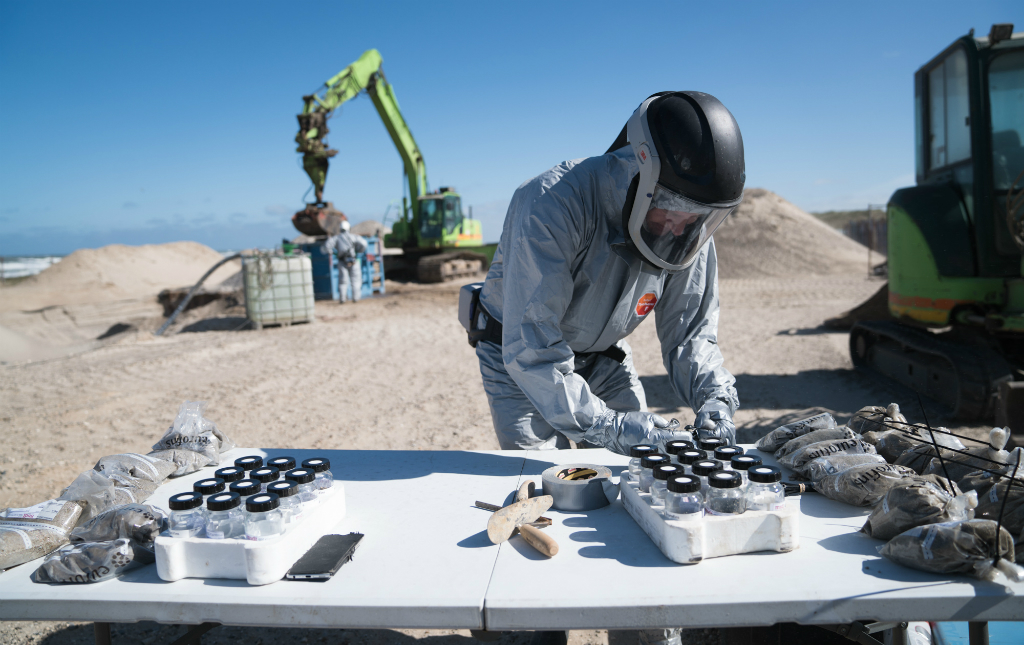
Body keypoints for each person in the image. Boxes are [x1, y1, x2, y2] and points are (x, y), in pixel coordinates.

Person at [469, 91, 745, 454]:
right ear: (641, 175)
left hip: (602, 355)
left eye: (695, 216)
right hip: (520, 360)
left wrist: (715, 398)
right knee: (542, 475)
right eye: (671, 209)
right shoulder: (552, 203)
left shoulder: (688, 227)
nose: (681, 227)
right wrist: (605, 426)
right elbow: (532, 344)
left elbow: (690, 335)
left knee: (638, 469)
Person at [327, 220, 367, 303]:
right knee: (355, 280)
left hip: (342, 262)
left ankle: (342, 299)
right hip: (354, 261)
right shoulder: (354, 237)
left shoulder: (337, 238)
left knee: (342, 281)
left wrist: (334, 253)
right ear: (349, 228)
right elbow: (364, 244)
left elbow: (327, 246)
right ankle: (355, 299)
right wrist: (359, 251)